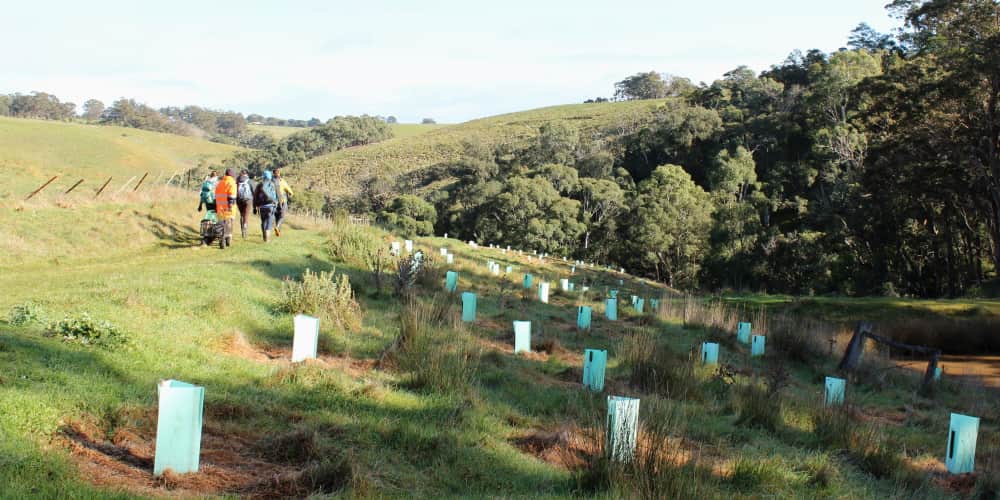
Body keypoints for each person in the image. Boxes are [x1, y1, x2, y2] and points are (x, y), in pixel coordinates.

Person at [214, 168, 238, 249]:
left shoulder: (220, 183)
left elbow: (216, 195)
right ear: (232, 175)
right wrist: (230, 206)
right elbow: (232, 196)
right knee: (228, 224)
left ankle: (222, 239)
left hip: (219, 207)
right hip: (228, 207)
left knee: (221, 224)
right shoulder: (232, 183)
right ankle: (227, 240)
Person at [253, 170, 279, 242]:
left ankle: (264, 236)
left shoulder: (259, 185)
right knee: (269, 220)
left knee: (263, 221)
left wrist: (254, 207)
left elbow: (255, 197)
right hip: (271, 206)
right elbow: (278, 195)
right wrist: (277, 203)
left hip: (261, 207)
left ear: (263, 176)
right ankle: (267, 238)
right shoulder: (274, 183)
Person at [273, 168, 294, 237]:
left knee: (276, 216)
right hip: (282, 201)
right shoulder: (282, 181)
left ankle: (278, 231)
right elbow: (291, 192)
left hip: (273, 202)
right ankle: (277, 227)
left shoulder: (270, 182)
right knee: (282, 217)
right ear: (279, 174)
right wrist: (289, 195)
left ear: (273, 174)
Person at [235, 169, 255, 239]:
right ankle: (245, 230)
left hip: (239, 200)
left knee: (242, 215)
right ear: (246, 174)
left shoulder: (237, 181)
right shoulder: (249, 181)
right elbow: (254, 191)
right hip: (248, 200)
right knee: (246, 216)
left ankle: (242, 230)